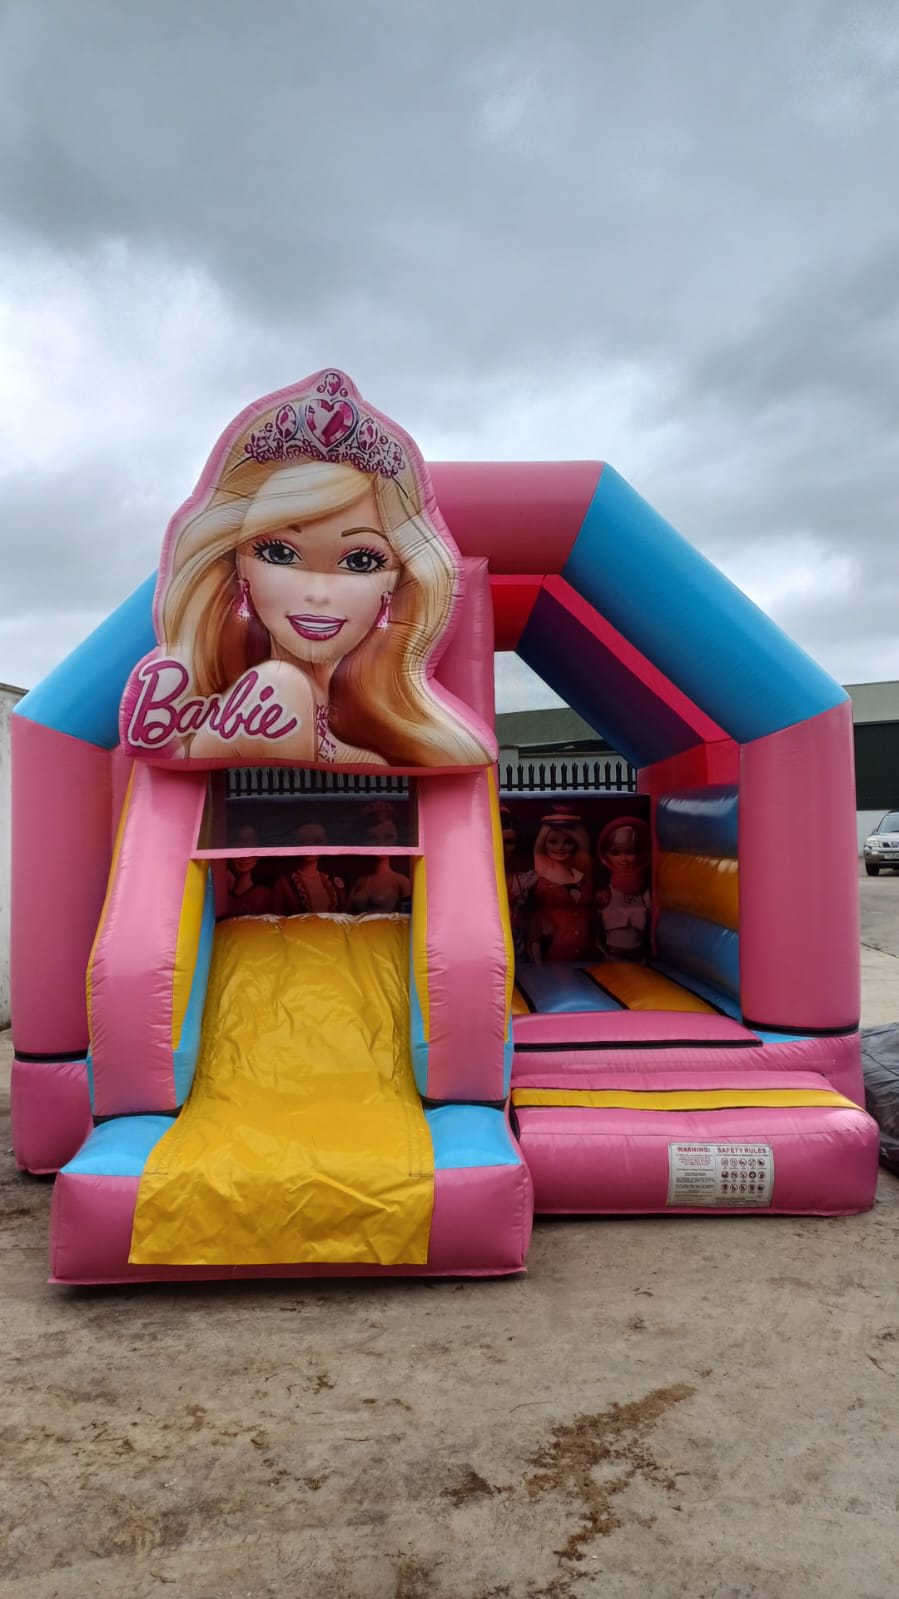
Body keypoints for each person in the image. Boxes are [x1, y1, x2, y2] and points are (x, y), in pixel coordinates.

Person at [127, 370, 495, 770]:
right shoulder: (268, 691)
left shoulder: (398, 727)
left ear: (396, 583)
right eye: (279, 553)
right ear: (239, 568)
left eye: (360, 561)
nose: (318, 593)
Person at [530, 812, 593, 963]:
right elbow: (536, 929)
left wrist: (569, 823)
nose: (560, 847)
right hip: (556, 955)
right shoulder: (542, 876)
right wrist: (549, 822)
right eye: (553, 842)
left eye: (568, 842)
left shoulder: (582, 874)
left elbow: (584, 845)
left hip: (588, 955)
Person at [595, 817, 652, 962]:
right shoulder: (603, 895)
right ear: (606, 855)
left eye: (630, 852)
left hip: (640, 960)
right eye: (616, 853)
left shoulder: (646, 895)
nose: (624, 859)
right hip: (611, 959)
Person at [346, 802, 411, 914]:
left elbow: (410, 916)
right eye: (372, 837)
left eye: (389, 837)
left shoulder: (401, 881)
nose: (381, 844)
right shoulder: (359, 881)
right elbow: (346, 914)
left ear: (397, 839)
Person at [271, 823, 345, 915]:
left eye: (317, 841)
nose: (310, 847)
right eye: (303, 842)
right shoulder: (284, 883)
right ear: (295, 844)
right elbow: (276, 917)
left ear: (326, 844)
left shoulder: (334, 882)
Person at [500, 805, 537, 960]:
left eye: (508, 843)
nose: (502, 849)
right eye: (496, 841)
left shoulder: (524, 880)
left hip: (518, 952)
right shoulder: (469, 879)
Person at [225, 824, 272, 916]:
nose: (244, 857)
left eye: (250, 849)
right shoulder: (220, 893)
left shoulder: (265, 894)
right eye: (238, 849)